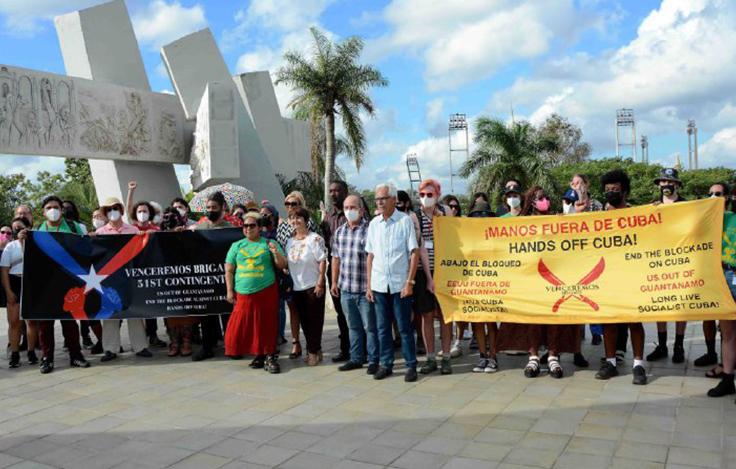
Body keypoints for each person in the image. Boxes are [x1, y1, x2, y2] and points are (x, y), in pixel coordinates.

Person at [497, 186, 579, 379]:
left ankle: (552, 356)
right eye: (539, 198)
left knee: (554, 318)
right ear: (531, 201)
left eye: (546, 197)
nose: (544, 201)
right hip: (530, 278)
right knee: (532, 319)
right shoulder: (521, 223)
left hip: (554, 277)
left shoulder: (558, 220)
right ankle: (533, 357)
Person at [595, 169, 647, 385]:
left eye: (615, 190)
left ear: (624, 191)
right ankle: (610, 362)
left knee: (634, 321)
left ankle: (638, 365)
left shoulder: (637, 215)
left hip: (632, 277)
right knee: (609, 322)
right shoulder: (597, 218)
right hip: (607, 277)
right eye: (607, 190)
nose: (610, 193)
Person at [366, 182, 420, 382]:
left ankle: (411, 365)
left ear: (393, 200)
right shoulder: (373, 224)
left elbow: (414, 253)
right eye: (377, 199)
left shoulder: (404, 221)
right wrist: (369, 285)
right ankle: (386, 364)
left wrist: (410, 282)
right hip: (379, 285)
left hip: (400, 285)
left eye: (382, 198)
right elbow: (370, 256)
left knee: (404, 327)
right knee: (382, 328)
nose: (379, 202)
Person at [34, 195, 91, 373]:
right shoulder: (37, 232)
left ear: (62, 210)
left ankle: (76, 355)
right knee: (45, 323)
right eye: (49, 207)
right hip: (47, 284)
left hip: (70, 281)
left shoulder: (74, 228)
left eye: (56, 207)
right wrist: (22, 240)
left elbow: (87, 250)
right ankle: (47, 358)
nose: (53, 210)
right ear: (43, 212)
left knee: (70, 321)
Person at [225, 212, 287, 373]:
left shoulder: (269, 243)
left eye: (252, 225)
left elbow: (282, 265)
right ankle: (258, 354)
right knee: (245, 325)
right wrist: (229, 291)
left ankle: (270, 356)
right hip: (243, 293)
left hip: (266, 290)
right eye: (245, 226)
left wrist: (275, 252)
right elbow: (229, 270)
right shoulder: (236, 246)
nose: (248, 228)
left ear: (260, 227)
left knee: (266, 324)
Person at [96, 197, 153, 362]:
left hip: (129, 278)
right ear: (105, 213)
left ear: (121, 210)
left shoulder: (133, 230)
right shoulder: (100, 234)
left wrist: (147, 236)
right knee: (110, 314)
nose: (112, 211)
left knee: (133, 311)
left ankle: (140, 346)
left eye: (115, 208)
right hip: (108, 280)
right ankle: (110, 349)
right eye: (108, 209)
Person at [330, 194, 378, 373]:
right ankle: (356, 357)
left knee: (370, 327)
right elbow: (335, 258)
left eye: (353, 207)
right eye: (346, 208)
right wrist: (334, 282)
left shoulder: (369, 230)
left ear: (361, 209)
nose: (349, 211)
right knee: (353, 326)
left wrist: (370, 286)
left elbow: (372, 259)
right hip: (346, 289)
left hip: (365, 290)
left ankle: (374, 359)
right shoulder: (340, 232)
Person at [647, 168, 687, 364]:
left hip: (681, 259)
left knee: (681, 305)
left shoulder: (687, 206)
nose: (665, 186)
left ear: (677, 184)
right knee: (660, 303)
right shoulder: (653, 207)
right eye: (662, 182)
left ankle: (678, 346)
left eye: (669, 182)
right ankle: (662, 345)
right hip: (659, 260)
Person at [414, 179, 453, 375]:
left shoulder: (446, 212)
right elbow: (420, 247)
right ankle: (430, 357)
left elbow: (454, 238)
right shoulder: (415, 215)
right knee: (426, 315)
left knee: (446, 316)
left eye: (429, 195)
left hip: (445, 270)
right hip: (424, 272)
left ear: (437, 195)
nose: (425, 198)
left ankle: (446, 356)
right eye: (422, 195)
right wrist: (429, 279)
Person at [191, 191, 234, 361]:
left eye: (214, 207)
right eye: (208, 207)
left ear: (222, 208)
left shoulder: (231, 230)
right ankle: (207, 347)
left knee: (227, 314)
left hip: (225, 279)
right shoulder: (200, 229)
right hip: (206, 280)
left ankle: (231, 346)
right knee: (207, 314)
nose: (210, 210)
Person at [276, 191, 318, 360]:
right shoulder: (283, 225)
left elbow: (316, 249)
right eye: (287, 204)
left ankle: (313, 345)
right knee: (293, 309)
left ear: (301, 205)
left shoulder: (310, 223)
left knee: (309, 312)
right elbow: (280, 247)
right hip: (289, 274)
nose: (290, 207)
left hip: (307, 276)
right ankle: (295, 342)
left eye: (294, 204)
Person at [287, 208, 328, 366]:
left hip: (313, 286)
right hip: (297, 287)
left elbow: (322, 260)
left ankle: (312, 353)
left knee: (315, 321)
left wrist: (320, 282)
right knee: (304, 321)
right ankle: (316, 350)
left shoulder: (315, 239)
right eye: (292, 218)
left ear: (305, 220)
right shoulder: (290, 241)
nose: (295, 221)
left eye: (298, 218)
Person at [697, 183, 730, 370]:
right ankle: (712, 353)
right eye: (709, 194)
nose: (713, 198)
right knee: (708, 316)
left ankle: (726, 365)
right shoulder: (705, 219)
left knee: (728, 326)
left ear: (726, 197)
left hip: (729, 277)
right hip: (709, 274)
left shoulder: (732, 220)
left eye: (718, 194)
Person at [707, 192, 736, 398]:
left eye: (718, 193)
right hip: (726, 276)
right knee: (728, 333)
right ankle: (728, 378)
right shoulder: (722, 218)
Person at [320, 181, 352, 362]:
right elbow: (324, 243)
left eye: (337, 191)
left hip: (353, 266)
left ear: (345, 192)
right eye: (331, 191)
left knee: (355, 311)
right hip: (334, 266)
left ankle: (361, 348)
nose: (333, 194)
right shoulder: (328, 218)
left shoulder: (353, 213)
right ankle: (345, 348)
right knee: (341, 311)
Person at [1, 216, 38, 367]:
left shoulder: (36, 245)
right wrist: (8, 291)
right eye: (14, 228)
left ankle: (31, 351)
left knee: (31, 321)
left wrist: (25, 242)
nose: (17, 230)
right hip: (14, 282)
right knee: (14, 322)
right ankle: (15, 354)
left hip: (30, 283)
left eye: (20, 227)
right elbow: (4, 270)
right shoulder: (10, 247)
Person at [467, 200, 499, 373]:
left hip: (492, 282)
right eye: (477, 215)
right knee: (477, 322)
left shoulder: (497, 235)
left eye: (483, 215)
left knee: (491, 321)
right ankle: (482, 356)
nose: (480, 218)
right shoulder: (467, 236)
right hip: (473, 282)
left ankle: (493, 356)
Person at [159, 207, 195, 357]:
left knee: (186, 311)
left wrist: (183, 235)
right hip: (167, 280)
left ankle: (186, 342)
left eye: (172, 216)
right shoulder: (158, 235)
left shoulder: (186, 232)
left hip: (186, 278)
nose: (169, 219)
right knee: (171, 312)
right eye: (165, 216)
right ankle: (174, 342)